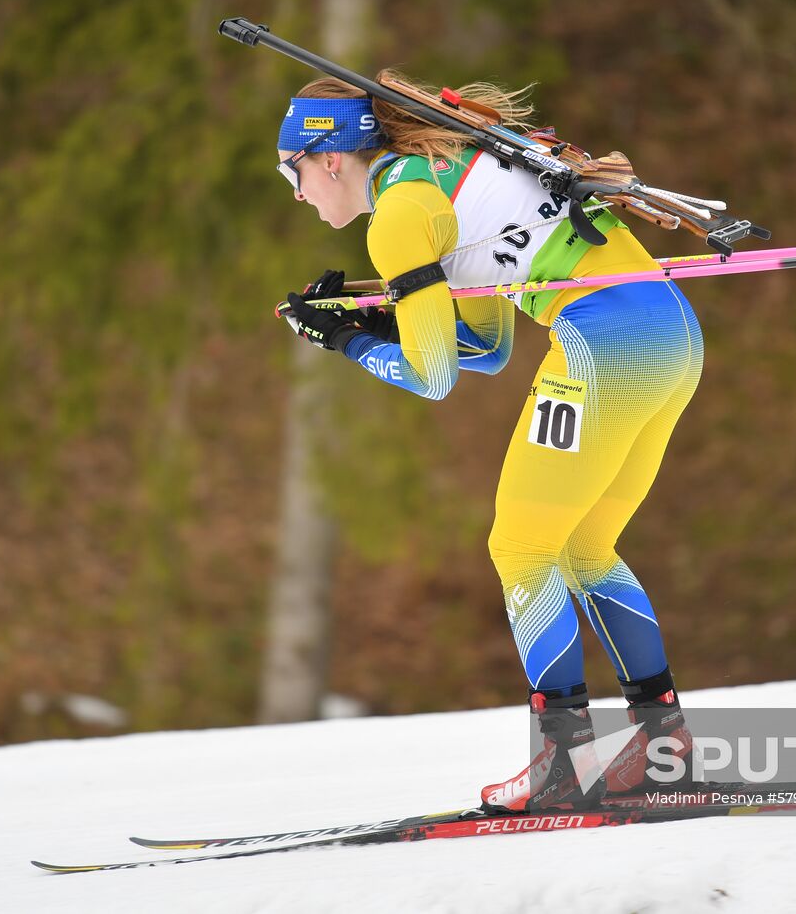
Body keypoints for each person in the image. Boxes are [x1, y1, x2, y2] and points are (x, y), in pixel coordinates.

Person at [277, 72, 699, 812]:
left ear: (332, 157)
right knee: (584, 548)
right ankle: (665, 748)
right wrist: (387, 320)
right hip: (671, 334)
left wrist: (345, 339)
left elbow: (436, 375)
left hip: (605, 341)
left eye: (294, 170)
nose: (297, 192)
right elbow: (488, 348)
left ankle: (562, 765)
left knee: (521, 548)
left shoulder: (401, 213)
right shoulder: (444, 170)